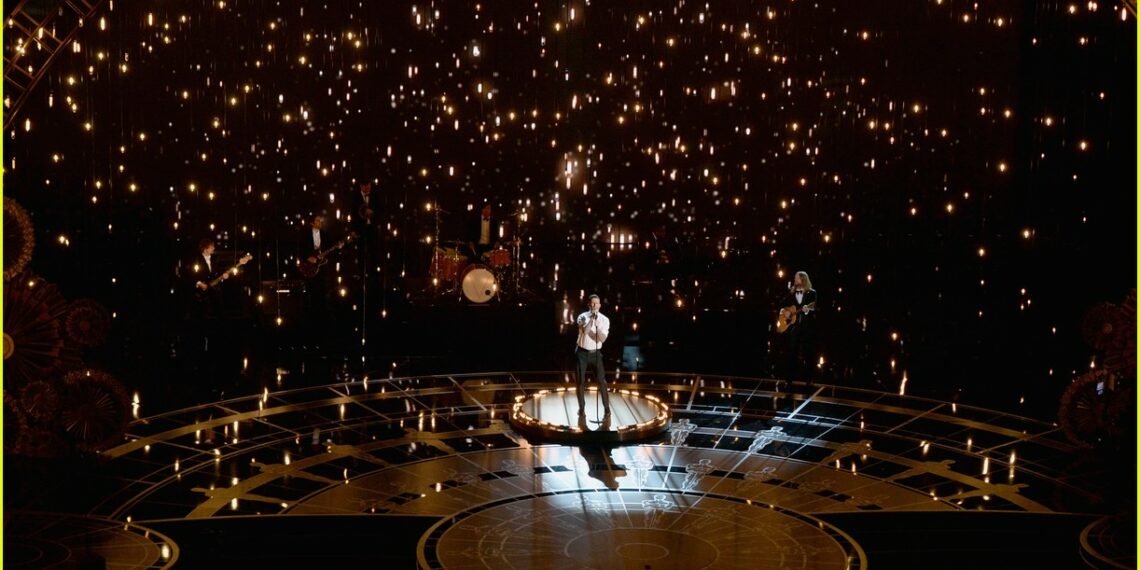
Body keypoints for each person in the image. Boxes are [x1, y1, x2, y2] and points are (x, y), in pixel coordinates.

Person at [575, 294, 611, 421]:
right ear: (589, 304)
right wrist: (592, 320)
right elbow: (585, 331)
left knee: (602, 381)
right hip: (582, 353)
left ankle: (607, 410)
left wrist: (597, 325)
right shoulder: (582, 317)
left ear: (600, 305)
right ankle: (582, 409)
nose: (595, 305)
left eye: (597, 303)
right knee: (580, 382)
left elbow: (603, 338)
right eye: (593, 303)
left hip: (596, 353)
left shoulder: (605, 320)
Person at [779, 271, 819, 385]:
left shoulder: (812, 293)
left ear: (802, 279)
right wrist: (785, 311)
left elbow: (815, 307)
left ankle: (809, 379)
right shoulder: (791, 293)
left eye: (796, 278)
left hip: (807, 328)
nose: (794, 280)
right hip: (793, 328)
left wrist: (808, 310)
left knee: (808, 354)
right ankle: (788, 379)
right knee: (791, 353)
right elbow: (781, 304)